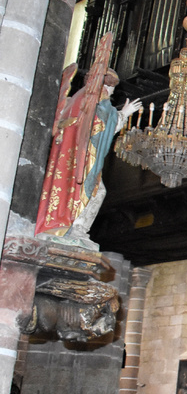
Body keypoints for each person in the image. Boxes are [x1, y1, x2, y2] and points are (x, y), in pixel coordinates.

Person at [36, 32, 142, 240]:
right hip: (84, 157)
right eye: (110, 86)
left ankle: (72, 226)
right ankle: (76, 228)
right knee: (95, 192)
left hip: (70, 155)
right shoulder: (96, 102)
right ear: (101, 84)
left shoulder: (76, 99)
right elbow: (101, 126)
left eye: (112, 87)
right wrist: (124, 114)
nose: (111, 91)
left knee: (86, 191)